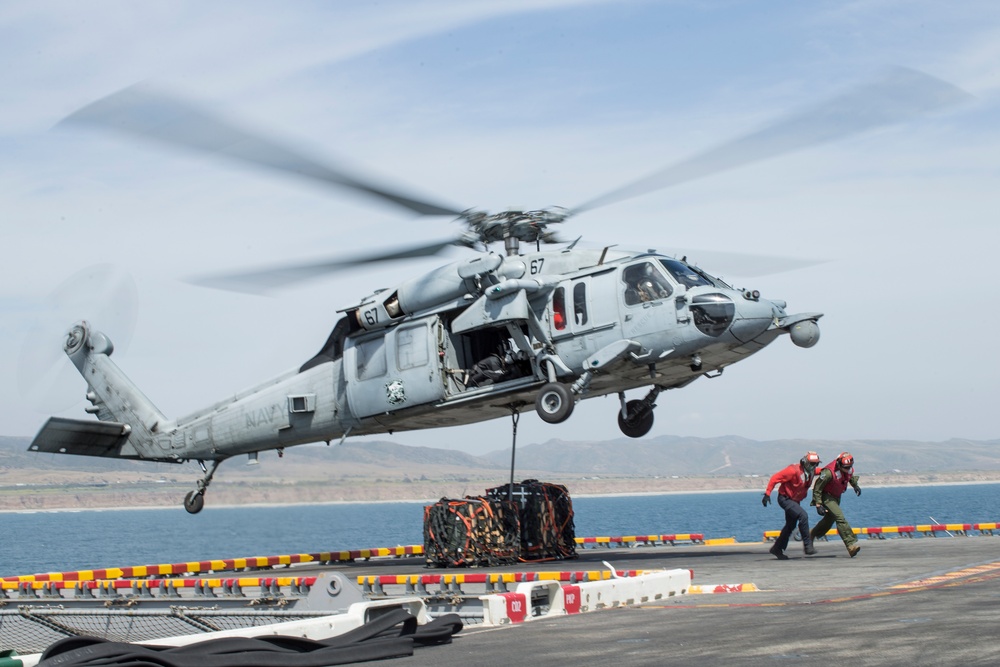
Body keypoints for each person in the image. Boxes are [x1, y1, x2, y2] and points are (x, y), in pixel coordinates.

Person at [762, 451, 821, 560]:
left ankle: (777, 548)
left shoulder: (812, 471)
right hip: (785, 499)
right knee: (803, 516)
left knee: (791, 525)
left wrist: (835, 468)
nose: (814, 466)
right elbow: (775, 478)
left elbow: (823, 471)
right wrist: (767, 494)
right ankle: (808, 546)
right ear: (805, 462)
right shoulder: (793, 470)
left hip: (795, 501)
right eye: (812, 464)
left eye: (816, 464)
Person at [809, 452, 862, 558]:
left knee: (829, 520)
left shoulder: (849, 469)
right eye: (846, 467)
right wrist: (818, 504)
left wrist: (855, 486)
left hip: (837, 497)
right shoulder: (828, 473)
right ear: (839, 464)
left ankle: (811, 534)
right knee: (840, 517)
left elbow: (849, 476)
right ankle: (850, 545)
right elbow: (817, 488)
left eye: (850, 467)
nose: (848, 469)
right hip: (827, 497)